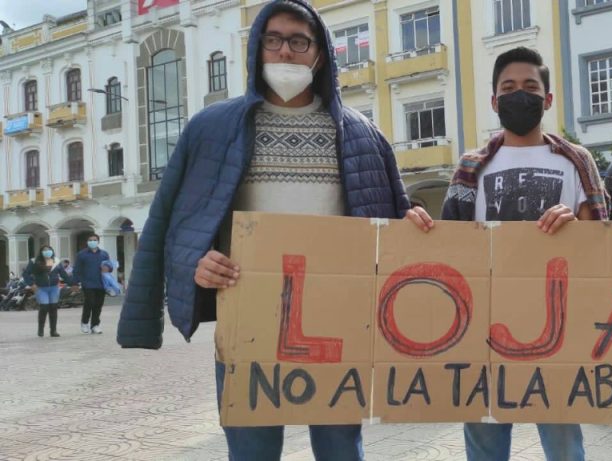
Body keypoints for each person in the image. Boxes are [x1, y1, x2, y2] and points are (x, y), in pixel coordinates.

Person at [116, 1, 432, 460]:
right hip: (249, 318)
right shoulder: (212, 129)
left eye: (299, 41)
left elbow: (392, 221)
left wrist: (413, 225)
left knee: (342, 449)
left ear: (320, 54)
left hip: (337, 322)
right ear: (257, 48)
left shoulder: (362, 135)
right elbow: (174, 222)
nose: (285, 51)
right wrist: (196, 262)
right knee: (252, 450)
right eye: (274, 39)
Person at [442, 46, 608, 461]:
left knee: (564, 445)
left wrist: (575, 225)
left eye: (531, 87)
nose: (520, 95)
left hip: (558, 328)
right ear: (494, 101)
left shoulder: (577, 161)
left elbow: (602, 243)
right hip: (485, 328)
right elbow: (449, 246)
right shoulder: (470, 167)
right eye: (509, 87)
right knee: (484, 443)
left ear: (547, 99)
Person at [23, 245, 75, 337]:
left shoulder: (56, 261)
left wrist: (73, 284)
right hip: (41, 288)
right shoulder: (34, 261)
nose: (47, 251)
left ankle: (53, 331)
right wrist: (32, 284)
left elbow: (64, 275)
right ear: (41, 251)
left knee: (53, 308)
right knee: (44, 307)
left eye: (49, 250)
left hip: (54, 288)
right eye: (45, 250)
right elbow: (26, 274)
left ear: (52, 251)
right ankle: (41, 329)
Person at [76, 233, 111, 334]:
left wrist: (108, 268)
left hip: (101, 283)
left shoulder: (104, 254)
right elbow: (77, 269)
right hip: (87, 283)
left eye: (94, 240)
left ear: (98, 241)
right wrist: (75, 282)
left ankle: (95, 325)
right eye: (90, 240)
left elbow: (109, 266)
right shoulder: (82, 254)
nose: (92, 242)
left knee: (98, 305)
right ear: (87, 242)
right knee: (89, 302)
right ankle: (84, 322)